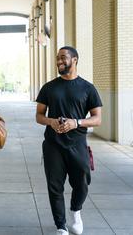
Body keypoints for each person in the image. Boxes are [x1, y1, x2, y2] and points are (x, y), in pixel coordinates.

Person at [36, 46, 102, 235]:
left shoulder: (88, 88)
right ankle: (61, 226)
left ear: (75, 59)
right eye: (57, 58)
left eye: (63, 57)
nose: (59, 61)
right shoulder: (49, 87)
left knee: (82, 182)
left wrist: (76, 122)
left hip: (77, 143)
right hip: (53, 145)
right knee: (55, 186)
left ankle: (75, 211)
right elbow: (39, 115)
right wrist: (52, 122)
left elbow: (97, 119)